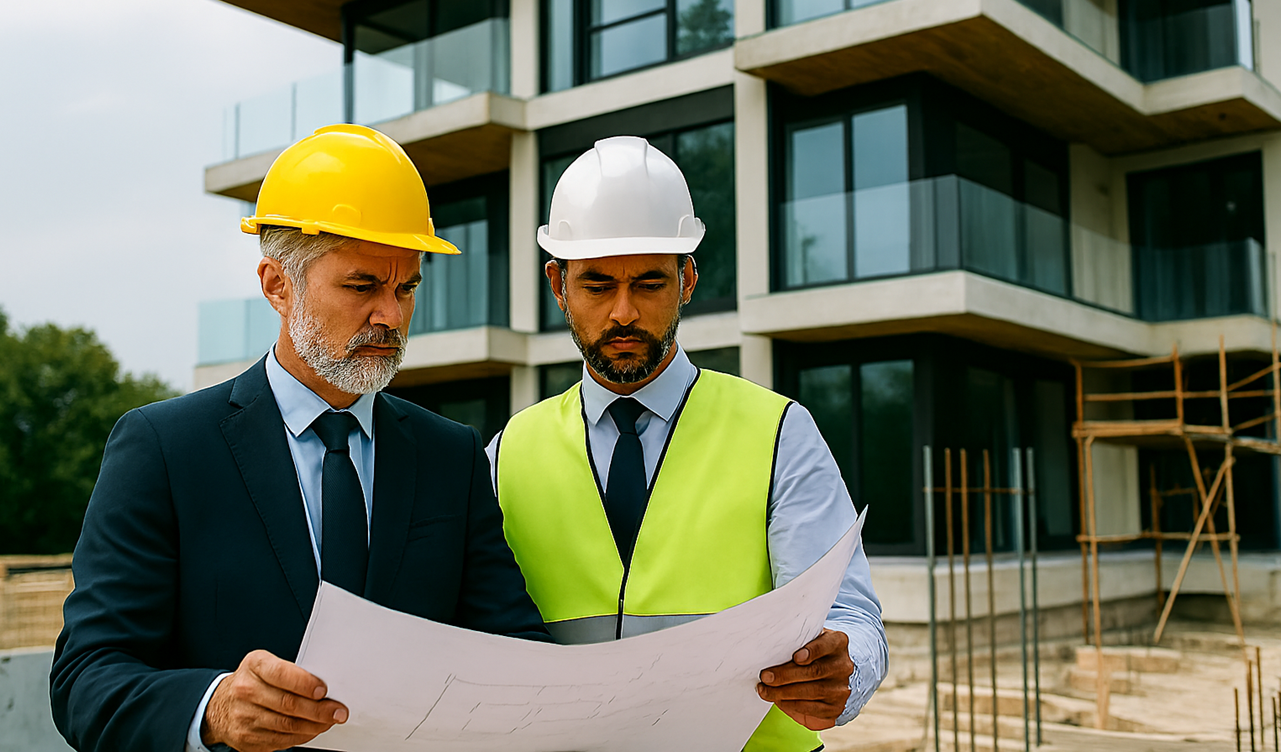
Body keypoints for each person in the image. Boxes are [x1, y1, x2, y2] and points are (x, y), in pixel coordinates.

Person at [51, 125, 548, 752]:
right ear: (277, 285)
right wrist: (215, 709)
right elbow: (86, 678)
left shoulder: (450, 455)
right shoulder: (163, 449)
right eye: (362, 286)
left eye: (407, 288)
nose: (391, 316)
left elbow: (514, 653)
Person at [488, 136, 888, 751]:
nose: (624, 314)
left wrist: (844, 670)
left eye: (648, 284)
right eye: (597, 286)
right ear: (558, 284)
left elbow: (850, 617)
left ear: (688, 280)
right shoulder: (506, 453)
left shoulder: (779, 432)